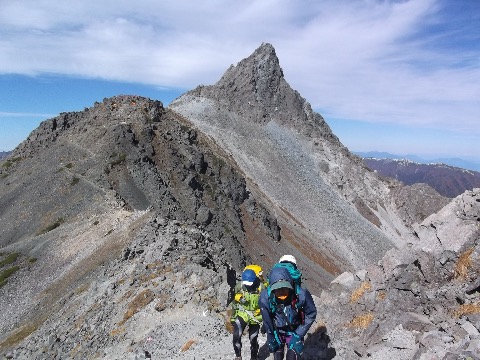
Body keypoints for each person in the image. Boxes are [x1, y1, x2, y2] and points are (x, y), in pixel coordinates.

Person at [259, 266, 317, 360]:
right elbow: (267, 320)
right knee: (278, 356)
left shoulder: (301, 294)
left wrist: (299, 333)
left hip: (295, 330)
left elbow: (311, 313)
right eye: (278, 290)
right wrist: (271, 339)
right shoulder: (265, 298)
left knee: (292, 357)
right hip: (277, 331)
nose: (282, 292)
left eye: (285, 288)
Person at [230, 267, 264, 360]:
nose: (248, 286)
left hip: (256, 316)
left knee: (253, 339)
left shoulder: (261, 287)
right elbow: (234, 302)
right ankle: (238, 356)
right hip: (243, 313)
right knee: (236, 336)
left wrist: (264, 318)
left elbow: (266, 304)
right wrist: (233, 318)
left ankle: (253, 358)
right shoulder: (239, 286)